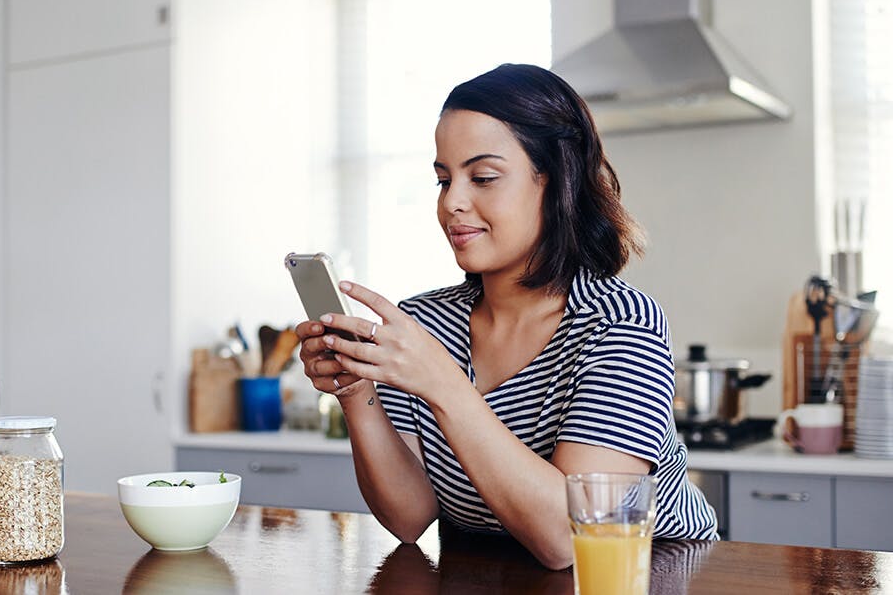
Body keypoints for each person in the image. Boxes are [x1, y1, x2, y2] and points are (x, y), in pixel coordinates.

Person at [295, 63, 717, 570]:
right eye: (443, 180)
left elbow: (572, 540)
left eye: (484, 177)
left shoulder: (620, 322)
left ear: (556, 179)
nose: (452, 202)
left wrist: (442, 383)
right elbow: (408, 518)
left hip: (650, 575)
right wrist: (354, 388)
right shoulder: (425, 323)